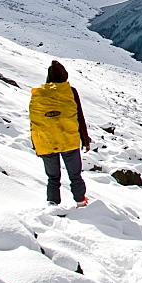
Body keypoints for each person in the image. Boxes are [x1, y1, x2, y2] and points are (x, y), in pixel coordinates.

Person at [29, 60, 91, 207]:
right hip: (68, 139)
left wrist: (36, 143)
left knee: (53, 177)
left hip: (46, 141)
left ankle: (53, 204)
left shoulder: (39, 94)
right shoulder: (70, 91)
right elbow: (79, 117)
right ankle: (81, 202)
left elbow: (34, 120)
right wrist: (85, 140)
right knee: (75, 175)